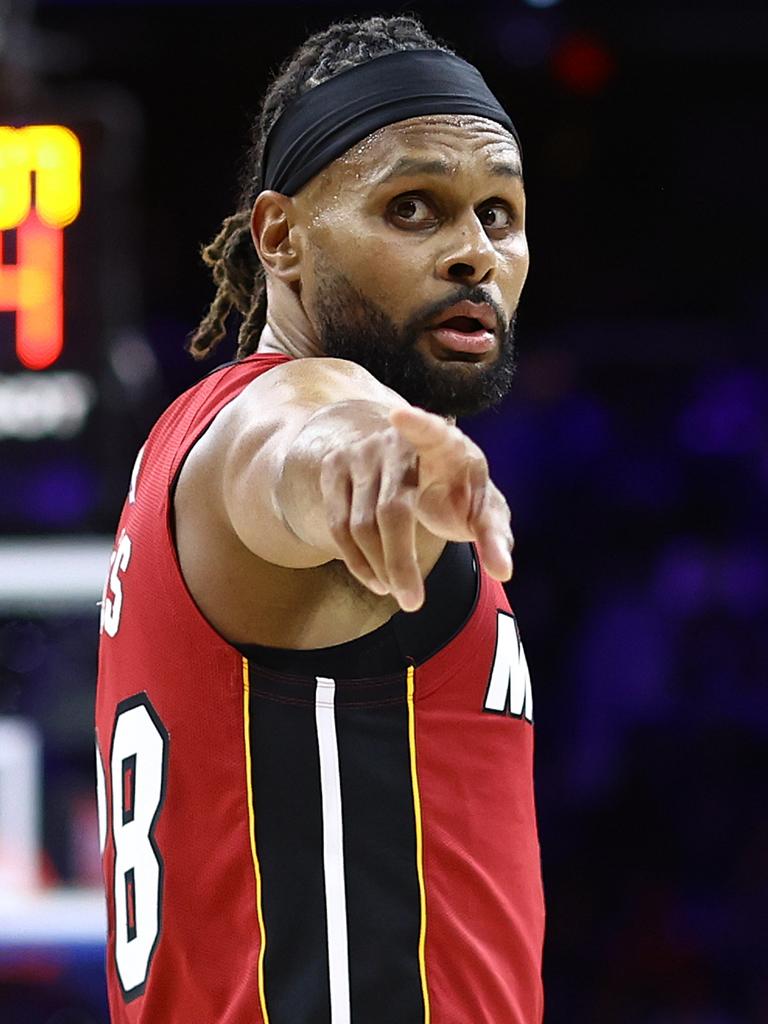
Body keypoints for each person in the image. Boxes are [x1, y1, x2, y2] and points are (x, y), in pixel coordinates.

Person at [94, 14, 544, 1024]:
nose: (475, 252)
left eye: (500, 215)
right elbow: (304, 438)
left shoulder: (178, 447)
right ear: (281, 235)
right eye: (414, 209)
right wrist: (371, 451)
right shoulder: (275, 418)